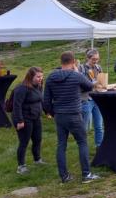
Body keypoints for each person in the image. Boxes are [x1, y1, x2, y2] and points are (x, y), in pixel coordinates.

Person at [43, 51, 100, 183]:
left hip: (59, 115)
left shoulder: (51, 77)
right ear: (73, 62)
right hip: (74, 114)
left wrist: (53, 113)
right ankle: (86, 174)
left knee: (61, 145)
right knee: (82, 142)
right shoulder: (76, 76)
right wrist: (77, 72)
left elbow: (46, 101)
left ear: (60, 61)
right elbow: (90, 86)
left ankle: (64, 176)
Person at [12, 66, 45, 174]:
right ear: (31, 76)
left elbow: (41, 100)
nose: (40, 78)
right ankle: (21, 166)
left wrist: (47, 111)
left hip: (36, 117)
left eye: (41, 76)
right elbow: (16, 106)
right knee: (24, 142)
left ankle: (37, 159)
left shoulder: (39, 86)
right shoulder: (21, 88)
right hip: (24, 118)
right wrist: (20, 121)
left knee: (38, 139)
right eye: (38, 76)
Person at [78, 49, 104, 148]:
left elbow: (101, 81)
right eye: (93, 59)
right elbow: (81, 85)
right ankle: (83, 147)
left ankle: (99, 146)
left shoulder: (98, 68)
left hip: (97, 98)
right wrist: (94, 83)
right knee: (85, 126)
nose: (96, 61)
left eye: (97, 59)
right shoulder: (82, 68)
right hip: (86, 99)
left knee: (99, 126)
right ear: (88, 58)